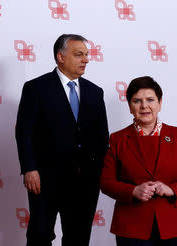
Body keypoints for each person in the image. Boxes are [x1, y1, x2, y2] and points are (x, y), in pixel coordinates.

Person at [15, 34, 109, 246]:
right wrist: (29, 168)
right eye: (79, 55)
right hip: (44, 179)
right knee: (40, 235)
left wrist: (99, 173)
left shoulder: (95, 92)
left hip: (85, 181)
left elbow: (102, 137)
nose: (85, 60)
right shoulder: (36, 88)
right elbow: (24, 132)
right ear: (61, 57)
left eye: (87, 55)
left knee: (79, 237)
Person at [100, 76, 177, 246]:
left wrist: (172, 189)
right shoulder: (118, 139)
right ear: (130, 106)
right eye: (137, 101)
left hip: (174, 224)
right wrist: (133, 191)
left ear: (160, 103)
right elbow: (106, 182)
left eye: (150, 100)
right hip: (132, 226)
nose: (144, 106)